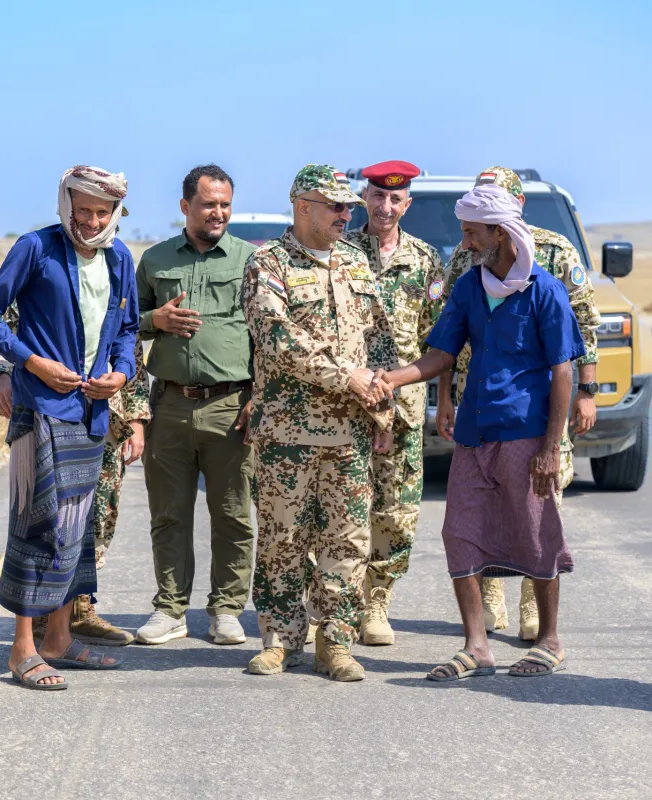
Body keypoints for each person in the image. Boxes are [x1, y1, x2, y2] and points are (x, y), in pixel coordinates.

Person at [380, 183, 584, 680]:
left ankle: (551, 640)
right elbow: (441, 353)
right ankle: (477, 647)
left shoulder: (545, 291)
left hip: (527, 435)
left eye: (472, 233)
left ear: (501, 231)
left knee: (536, 534)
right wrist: (392, 378)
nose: (466, 243)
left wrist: (552, 447)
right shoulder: (471, 287)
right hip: (474, 433)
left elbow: (563, 371)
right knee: (459, 533)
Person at [0, 166, 138, 690]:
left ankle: (59, 640)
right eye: (82, 210)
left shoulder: (119, 258)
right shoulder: (35, 248)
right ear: (65, 203)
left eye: (101, 213)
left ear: (115, 214)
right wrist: (33, 363)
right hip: (41, 410)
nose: (90, 222)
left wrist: (121, 373)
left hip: (92, 414)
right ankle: (22, 649)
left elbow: (128, 329)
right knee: (35, 525)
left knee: (75, 530)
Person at [242, 164, 396, 681]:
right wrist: (347, 376)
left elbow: (378, 339)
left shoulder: (355, 260)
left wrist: (381, 404)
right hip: (287, 432)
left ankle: (336, 642)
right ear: (302, 207)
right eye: (335, 206)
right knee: (283, 538)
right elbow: (278, 339)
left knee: (347, 540)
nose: (346, 214)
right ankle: (280, 639)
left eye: (348, 206)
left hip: (350, 433)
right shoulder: (269, 264)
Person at [440, 166, 600, 641]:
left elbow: (583, 325)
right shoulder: (468, 263)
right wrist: (445, 394)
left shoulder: (553, 255)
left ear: (513, 208)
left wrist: (586, 392)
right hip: (480, 401)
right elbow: (447, 327)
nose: (467, 240)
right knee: (480, 514)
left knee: (534, 512)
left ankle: (536, 608)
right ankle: (490, 600)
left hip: (536, 403)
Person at [133, 164, 256, 646]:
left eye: (225, 204)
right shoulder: (155, 260)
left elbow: (268, 337)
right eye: (209, 204)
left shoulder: (250, 260)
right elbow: (125, 326)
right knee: (169, 513)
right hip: (169, 406)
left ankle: (227, 610)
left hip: (232, 406)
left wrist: (259, 398)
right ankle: (170, 609)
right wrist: (155, 318)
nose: (218, 213)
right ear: (186, 207)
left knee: (232, 514)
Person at [0, 310, 149, 647]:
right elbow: (5, 325)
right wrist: (1, 375)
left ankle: (79, 606)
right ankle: (42, 613)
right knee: (49, 515)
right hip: (50, 409)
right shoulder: (40, 264)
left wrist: (137, 417)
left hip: (108, 417)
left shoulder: (112, 271)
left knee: (98, 516)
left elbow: (128, 346)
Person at [341, 160, 445, 645]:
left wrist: (438, 398)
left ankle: (376, 600)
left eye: (395, 199)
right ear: (365, 197)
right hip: (342, 404)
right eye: (377, 197)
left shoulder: (425, 262)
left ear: (408, 204)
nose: (385, 207)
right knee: (340, 505)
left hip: (402, 408)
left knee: (395, 510)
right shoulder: (339, 252)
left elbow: (439, 340)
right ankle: (338, 600)